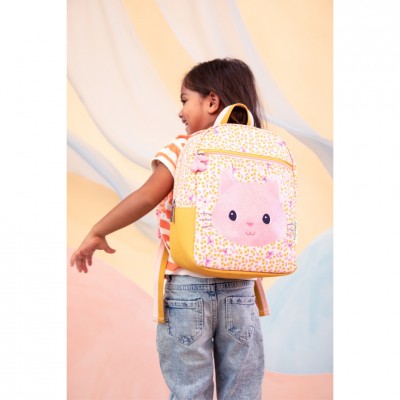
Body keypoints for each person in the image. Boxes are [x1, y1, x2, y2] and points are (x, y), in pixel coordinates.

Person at [70, 58, 266, 400]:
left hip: (189, 289)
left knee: (190, 391)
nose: (180, 111)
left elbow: (146, 197)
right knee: (243, 392)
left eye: (185, 100)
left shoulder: (185, 147)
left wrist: (98, 230)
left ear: (212, 101)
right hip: (241, 289)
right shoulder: (259, 151)